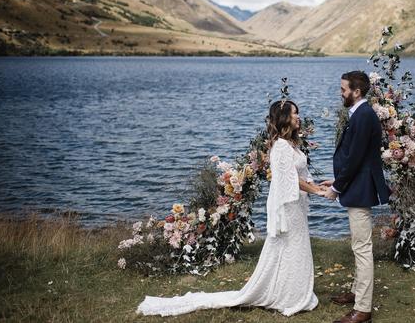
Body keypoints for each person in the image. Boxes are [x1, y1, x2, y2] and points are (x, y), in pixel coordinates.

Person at [137, 100, 323, 317]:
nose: (298, 117)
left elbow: (300, 175)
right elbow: (290, 179)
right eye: (294, 114)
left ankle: (292, 290)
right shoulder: (281, 146)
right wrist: (315, 191)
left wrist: (318, 185)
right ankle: (288, 295)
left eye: (297, 113)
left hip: (296, 205)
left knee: (295, 247)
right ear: (283, 118)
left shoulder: (291, 144)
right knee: (289, 247)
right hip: (288, 206)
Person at [321, 71, 390, 323]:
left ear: (356, 92)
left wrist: (337, 187)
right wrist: (337, 180)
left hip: (360, 189)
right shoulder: (360, 113)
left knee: (361, 248)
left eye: (343, 89)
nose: (340, 93)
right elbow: (353, 157)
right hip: (357, 185)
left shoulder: (363, 115)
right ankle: (356, 292)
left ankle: (363, 309)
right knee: (358, 244)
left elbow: (355, 158)